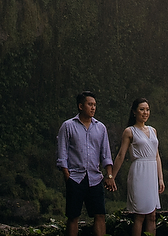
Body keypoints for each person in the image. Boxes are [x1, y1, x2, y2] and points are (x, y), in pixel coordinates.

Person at [56, 91, 116, 236]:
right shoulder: (68, 126)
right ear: (80, 106)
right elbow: (62, 153)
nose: (93, 108)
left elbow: (106, 154)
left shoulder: (100, 128)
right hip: (75, 177)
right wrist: (66, 175)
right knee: (73, 216)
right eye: (90, 104)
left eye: (95, 105)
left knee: (100, 214)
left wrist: (109, 175)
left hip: (95, 178)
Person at [113, 98, 164, 236]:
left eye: (147, 109)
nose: (145, 112)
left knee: (152, 215)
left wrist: (160, 178)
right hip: (139, 172)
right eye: (142, 109)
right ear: (134, 112)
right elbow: (120, 155)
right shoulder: (129, 131)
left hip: (152, 172)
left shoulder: (153, 130)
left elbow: (156, 155)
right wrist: (111, 176)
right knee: (140, 215)